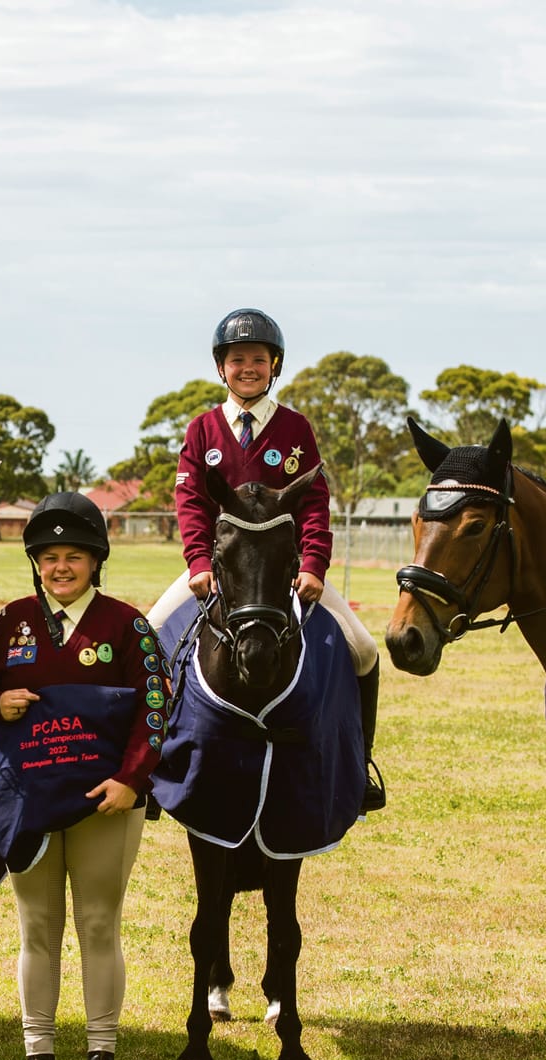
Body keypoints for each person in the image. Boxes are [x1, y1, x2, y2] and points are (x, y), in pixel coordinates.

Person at [0, 493, 168, 1060]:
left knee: (99, 923)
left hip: (106, 803)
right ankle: (39, 1058)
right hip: (29, 799)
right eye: (49, 557)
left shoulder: (128, 625)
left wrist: (131, 780)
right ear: (35, 563)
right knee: (37, 926)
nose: (61, 568)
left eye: (75, 556)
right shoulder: (11, 620)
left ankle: (102, 1058)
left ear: (96, 561)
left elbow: (155, 709)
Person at [149, 308, 387, 810]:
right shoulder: (202, 430)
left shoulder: (296, 428)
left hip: (285, 566)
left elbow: (315, 504)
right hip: (220, 565)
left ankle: (362, 765)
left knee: (364, 649)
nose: (248, 368)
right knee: (149, 635)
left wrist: (314, 565)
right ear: (222, 368)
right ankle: (151, 762)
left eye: (258, 359)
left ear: (274, 365)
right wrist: (198, 563)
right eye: (238, 360)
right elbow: (190, 503)